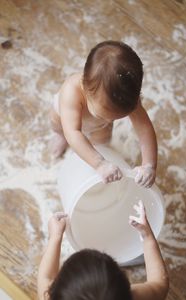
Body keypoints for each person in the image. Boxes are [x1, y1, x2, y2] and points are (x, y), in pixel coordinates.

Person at [50, 40, 157, 188]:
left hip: (98, 126)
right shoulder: (71, 91)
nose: (110, 120)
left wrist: (149, 165)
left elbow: (144, 128)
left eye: (115, 118)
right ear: (85, 88)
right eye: (104, 115)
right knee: (59, 127)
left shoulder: (127, 96)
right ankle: (61, 138)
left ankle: (93, 153)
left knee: (102, 143)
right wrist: (99, 163)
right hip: (64, 117)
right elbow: (72, 132)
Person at [37, 201, 169, 300]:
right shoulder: (132, 297)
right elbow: (159, 285)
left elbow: (45, 277)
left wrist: (55, 236)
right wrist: (147, 237)